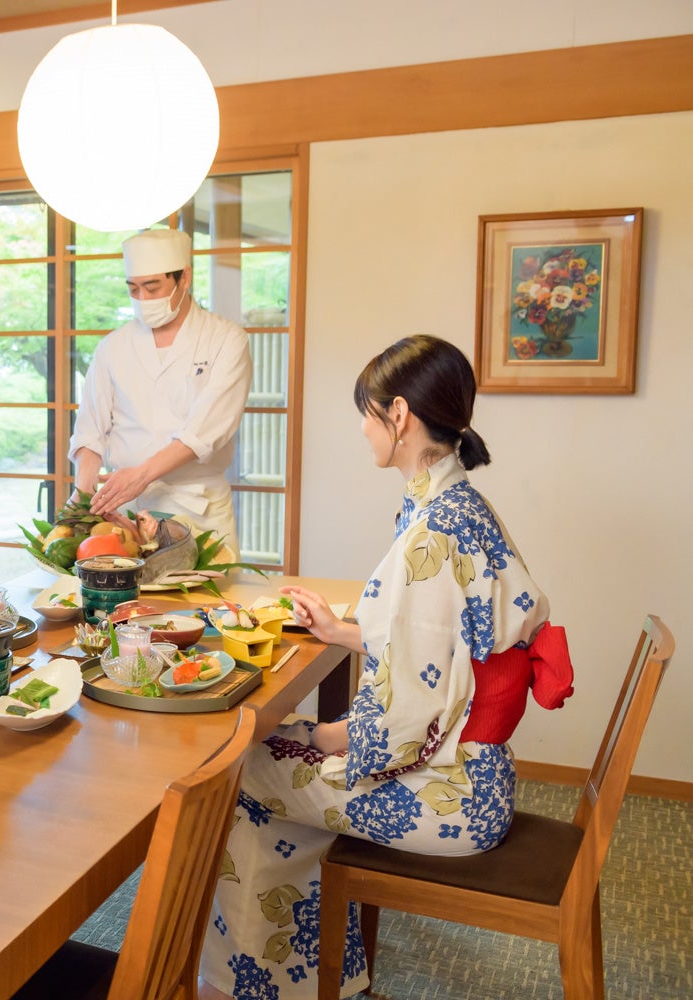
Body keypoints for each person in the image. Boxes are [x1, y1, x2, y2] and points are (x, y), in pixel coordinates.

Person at [198, 335, 573, 999]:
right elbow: (442, 652)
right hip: (476, 773)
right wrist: (343, 633)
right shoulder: (459, 505)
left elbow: (408, 714)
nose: (363, 428)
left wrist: (326, 737)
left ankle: (255, 983)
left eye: (367, 413)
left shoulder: (433, 530)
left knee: (241, 770)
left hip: (448, 794)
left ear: (398, 415)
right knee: (276, 753)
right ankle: (305, 975)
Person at [69, 227, 253, 557]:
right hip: (126, 515)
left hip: (199, 509)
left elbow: (203, 433)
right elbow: (89, 431)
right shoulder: (113, 347)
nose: (143, 299)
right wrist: (83, 496)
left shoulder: (225, 339)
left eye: (153, 288)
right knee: (125, 591)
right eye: (134, 289)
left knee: (205, 591)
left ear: (185, 278)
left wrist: (141, 475)